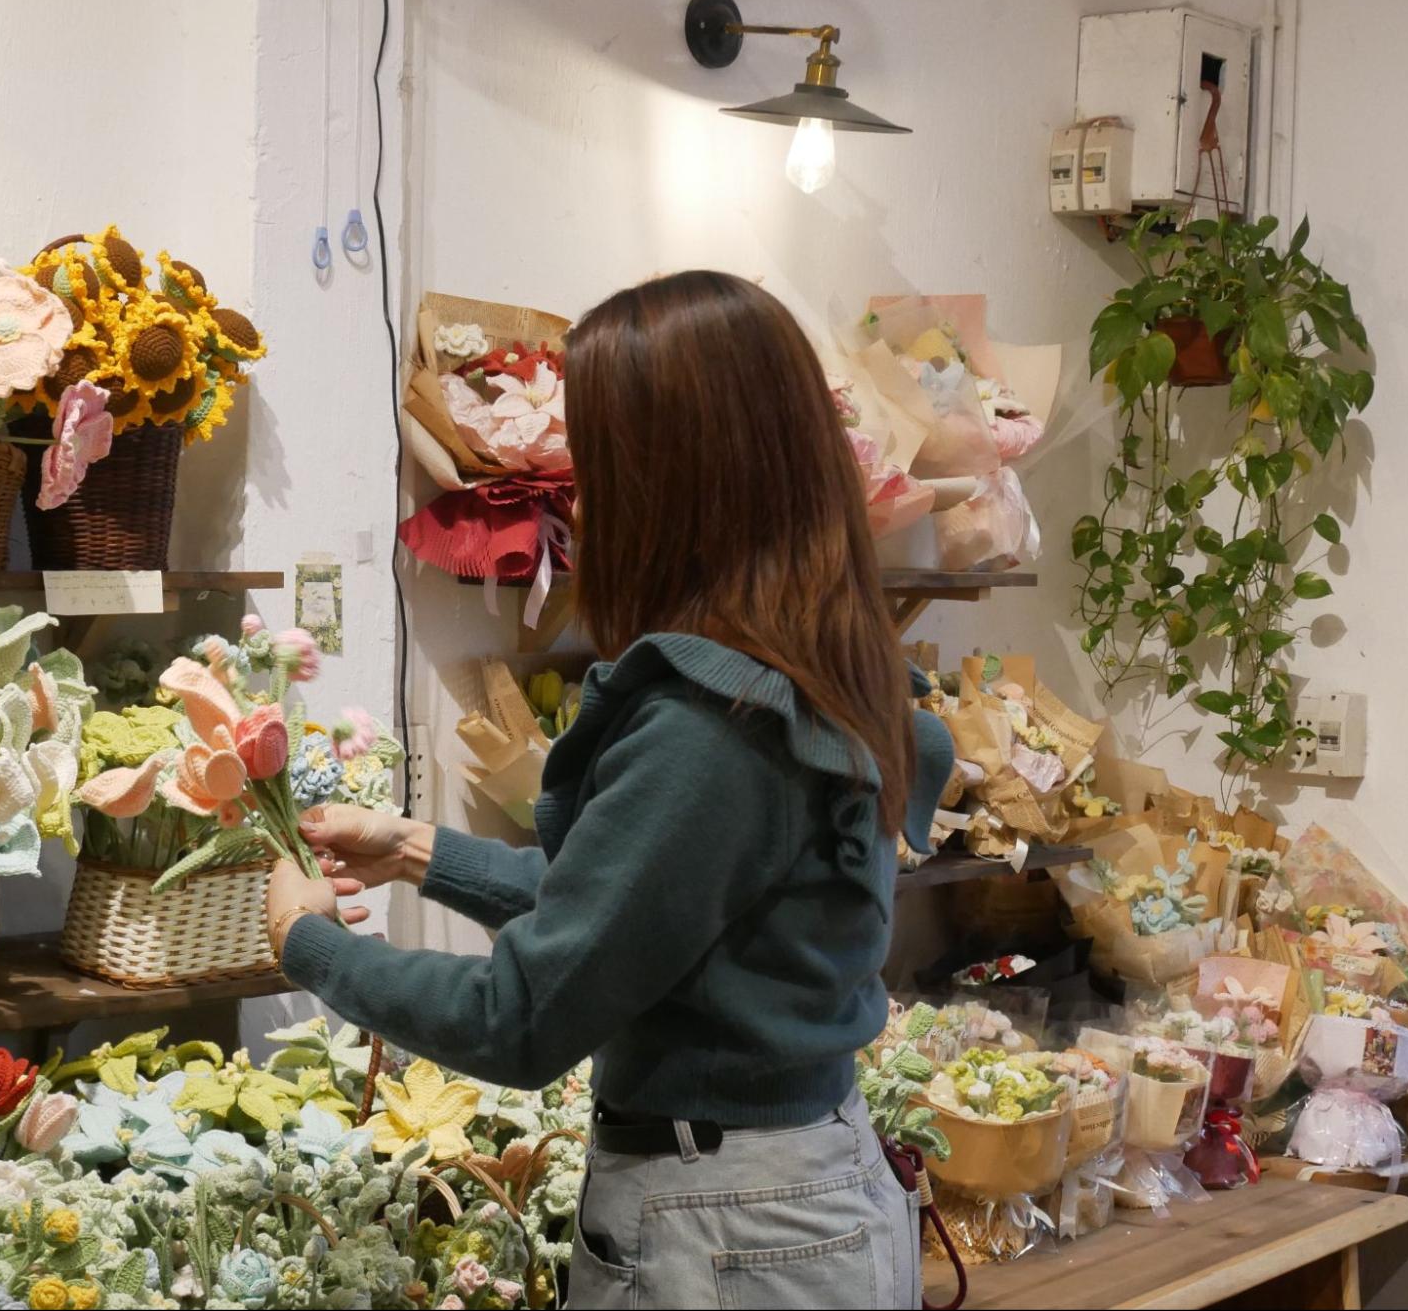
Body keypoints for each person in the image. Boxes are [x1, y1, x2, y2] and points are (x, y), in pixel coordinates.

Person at [266, 269, 954, 1309]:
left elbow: (521, 1018)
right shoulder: (819, 669)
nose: (579, 500)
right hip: (805, 1192)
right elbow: (636, 908)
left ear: (675, 485)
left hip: (726, 1229)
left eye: (595, 465)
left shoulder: (711, 729)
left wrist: (310, 943)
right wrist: (415, 848)